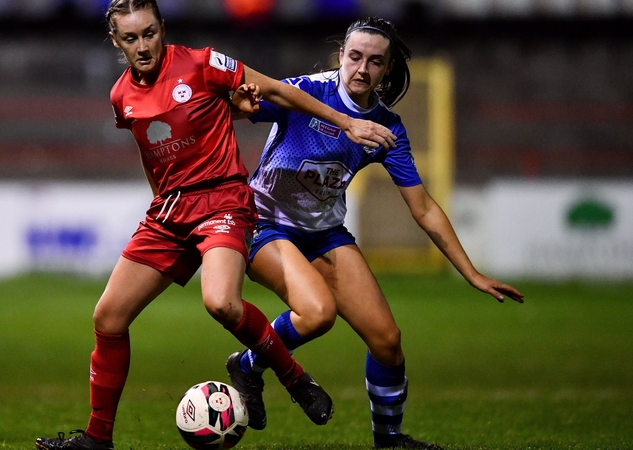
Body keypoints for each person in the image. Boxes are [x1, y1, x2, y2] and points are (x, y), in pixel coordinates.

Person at [34, 2, 398, 450]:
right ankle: (97, 439)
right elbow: (154, 155)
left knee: (221, 302)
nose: (143, 45)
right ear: (116, 41)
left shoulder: (203, 63)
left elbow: (279, 93)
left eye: (149, 33)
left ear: (162, 28)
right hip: (169, 212)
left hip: (222, 200)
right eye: (131, 38)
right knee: (108, 318)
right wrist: (161, 205)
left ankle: (294, 378)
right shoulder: (120, 97)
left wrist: (346, 123)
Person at [224, 17, 525, 449]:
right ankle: (250, 365)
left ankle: (388, 441)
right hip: (266, 224)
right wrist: (241, 101)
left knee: (387, 341)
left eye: (375, 62)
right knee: (318, 314)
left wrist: (471, 273)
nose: (362, 69)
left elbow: (423, 207)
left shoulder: (387, 129)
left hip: (324, 233)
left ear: (386, 70)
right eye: (355, 57)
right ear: (341, 55)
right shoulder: (307, 92)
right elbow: (239, 107)